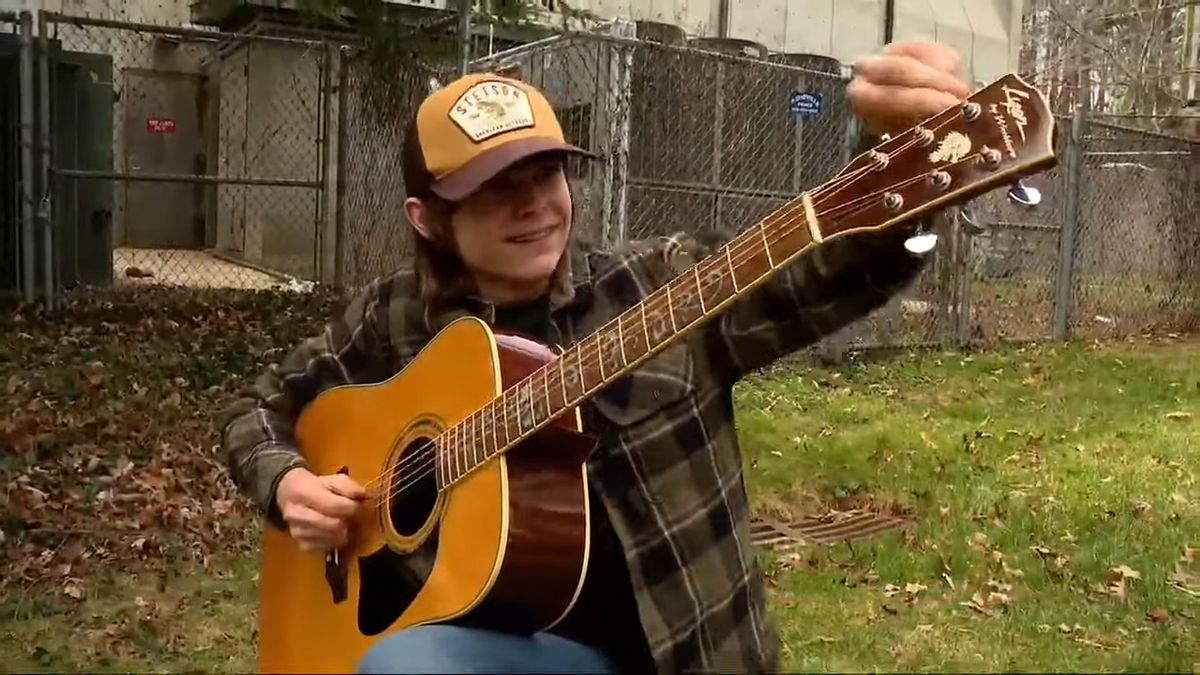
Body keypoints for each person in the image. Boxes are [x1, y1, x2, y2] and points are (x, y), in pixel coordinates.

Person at [219, 40, 972, 674]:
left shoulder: (662, 288)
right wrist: (287, 485)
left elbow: (839, 269)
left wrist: (890, 155)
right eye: (494, 189)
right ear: (428, 219)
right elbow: (256, 408)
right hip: (514, 648)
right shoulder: (390, 320)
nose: (535, 205)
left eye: (546, 173)